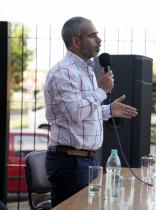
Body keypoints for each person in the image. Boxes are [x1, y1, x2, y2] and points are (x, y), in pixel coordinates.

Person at [44, 16, 138, 207]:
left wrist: (108, 110)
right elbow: (76, 113)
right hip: (70, 163)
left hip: (89, 160)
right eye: (93, 35)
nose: (99, 39)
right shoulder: (63, 72)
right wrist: (102, 90)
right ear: (76, 42)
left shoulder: (86, 70)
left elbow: (85, 113)